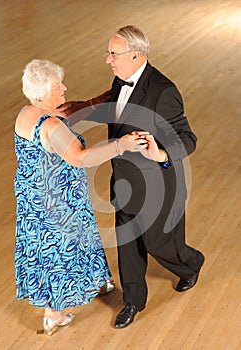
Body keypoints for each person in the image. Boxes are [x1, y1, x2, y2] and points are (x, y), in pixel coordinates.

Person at [60, 25, 205, 329]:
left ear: (136, 55)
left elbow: (187, 137)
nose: (108, 59)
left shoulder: (163, 91)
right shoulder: (121, 78)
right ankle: (133, 301)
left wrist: (162, 154)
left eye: (113, 54)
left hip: (159, 187)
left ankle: (191, 264)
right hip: (124, 182)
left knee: (158, 244)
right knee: (129, 246)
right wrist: (83, 107)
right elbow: (114, 104)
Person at [14, 59, 152, 336]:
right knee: (59, 252)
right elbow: (80, 158)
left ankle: (98, 281)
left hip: (33, 199)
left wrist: (100, 98)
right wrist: (121, 145)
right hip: (60, 202)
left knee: (54, 246)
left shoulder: (27, 113)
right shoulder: (51, 126)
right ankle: (53, 313)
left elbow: (67, 111)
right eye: (57, 86)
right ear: (43, 92)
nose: (63, 88)